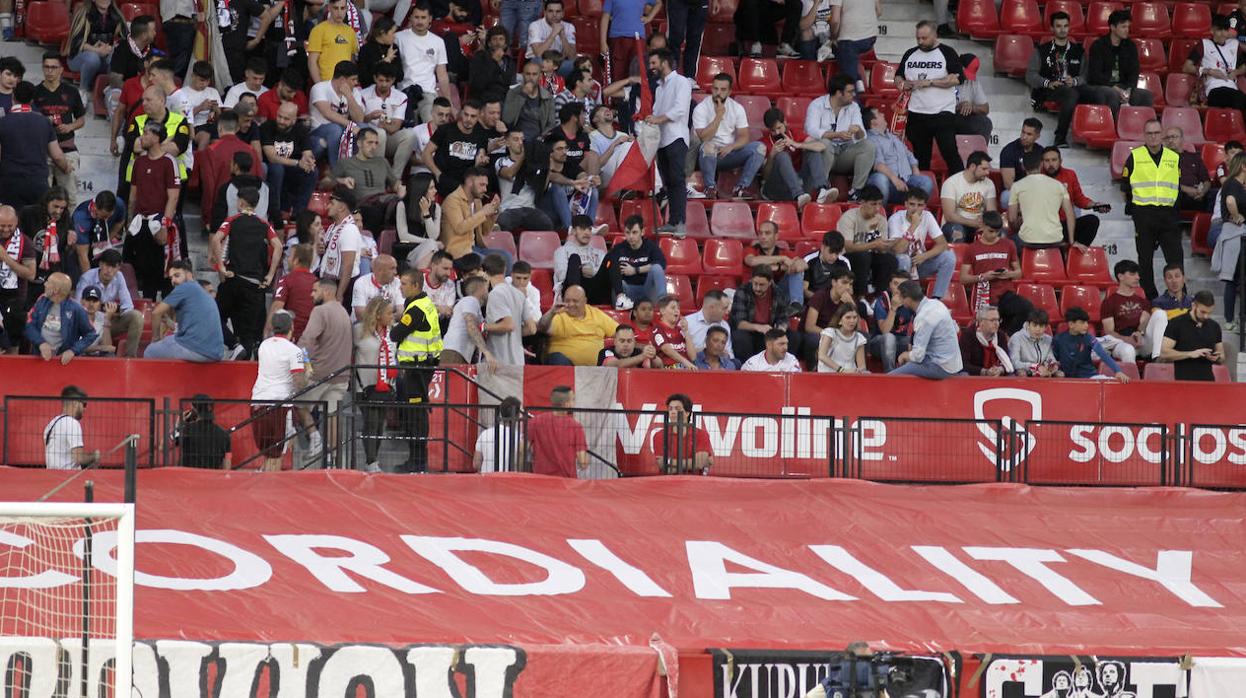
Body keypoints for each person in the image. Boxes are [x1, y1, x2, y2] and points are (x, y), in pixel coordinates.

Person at [211, 188, 282, 359]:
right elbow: (278, 246)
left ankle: (233, 344)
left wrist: (221, 266)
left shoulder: (232, 220)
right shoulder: (264, 224)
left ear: (241, 202)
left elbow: (215, 239)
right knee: (248, 333)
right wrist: (271, 275)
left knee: (214, 315)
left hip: (234, 279)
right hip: (255, 285)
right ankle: (242, 358)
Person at [1122, 119, 1181, 300]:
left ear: (1161, 134)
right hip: (1144, 214)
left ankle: (1179, 296)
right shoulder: (1135, 156)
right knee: (1145, 259)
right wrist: (1135, 211)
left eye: (1156, 133)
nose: (1153, 136)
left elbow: (1176, 186)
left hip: (1168, 215)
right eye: (1149, 133)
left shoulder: (1174, 157)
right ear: (1144, 136)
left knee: (1175, 259)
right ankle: (1150, 297)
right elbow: (1125, 187)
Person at [391, 268, 443, 472]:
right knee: (415, 412)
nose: (400, 287)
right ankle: (417, 459)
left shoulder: (415, 310)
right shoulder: (422, 303)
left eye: (404, 283)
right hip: (421, 364)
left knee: (416, 414)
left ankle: (418, 461)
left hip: (417, 367)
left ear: (415, 286)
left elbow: (396, 334)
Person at [896, 21, 964, 174]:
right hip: (916, 112)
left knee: (950, 153)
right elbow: (898, 76)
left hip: (942, 112)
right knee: (920, 158)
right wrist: (902, 84)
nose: (920, 42)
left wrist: (931, 82)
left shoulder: (947, 52)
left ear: (935, 35)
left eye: (924, 38)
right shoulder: (910, 53)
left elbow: (957, 79)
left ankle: (961, 188)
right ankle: (922, 192)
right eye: (918, 38)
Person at [125, 122, 182, 300]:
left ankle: (163, 308)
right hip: (139, 221)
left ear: (157, 137)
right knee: (134, 265)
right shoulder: (139, 161)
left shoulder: (168, 162)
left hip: (158, 220)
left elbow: (173, 197)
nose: (142, 137)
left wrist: (165, 224)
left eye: (146, 133)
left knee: (161, 269)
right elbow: (133, 194)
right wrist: (129, 220)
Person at [301, 278, 355, 456]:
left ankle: (314, 437)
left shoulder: (320, 311)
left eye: (314, 290)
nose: (311, 294)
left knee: (299, 404)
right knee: (332, 415)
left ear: (326, 291)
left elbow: (307, 339)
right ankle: (334, 457)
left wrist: (303, 364)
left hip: (319, 372)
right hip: (341, 374)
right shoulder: (343, 312)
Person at [250, 311, 309, 471]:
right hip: (280, 405)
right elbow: (299, 381)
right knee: (277, 455)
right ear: (291, 327)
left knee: (269, 453)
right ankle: (270, 489)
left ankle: (263, 479)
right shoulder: (294, 351)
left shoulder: (264, 345)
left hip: (258, 401)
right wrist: (307, 375)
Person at [692, 73, 764, 200]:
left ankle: (740, 188)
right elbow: (704, 138)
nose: (718, 93)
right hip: (707, 155)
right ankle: (710, 188)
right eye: (715, 88)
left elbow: (744, 136)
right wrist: (718, 116)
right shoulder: (701, 108)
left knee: (759, 148)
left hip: (728, 153)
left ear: (730, 91)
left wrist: (732, 146)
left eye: (723, 89)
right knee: (708, 146)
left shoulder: (737, 108)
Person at [0, 82, 72, 209]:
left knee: (11, 223)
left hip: (10, 182)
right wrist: (66, 167)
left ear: (12, 97)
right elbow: (57, 156)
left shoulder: (3, 123)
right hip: (37, 182)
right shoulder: (44, 122)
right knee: (38, 224)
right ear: (32, 100)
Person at [805, 75, 875, 202]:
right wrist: (837, 134)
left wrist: (858, 130)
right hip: (823, 154)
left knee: (868, 146)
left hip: (844, 153)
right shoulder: (816, 105)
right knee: (825, 144)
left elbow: (862, 136)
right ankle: (822, 189)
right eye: (849, 91)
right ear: (838, 93)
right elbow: (811, 130)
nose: (853, 94)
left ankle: (856, 191)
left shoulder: (853, 107)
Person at [962, 211, 1032, 334]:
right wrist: (983, 277)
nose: (994, 235)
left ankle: (1007, 337)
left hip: (1005, 294)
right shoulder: (971, 249)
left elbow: (1018, 273)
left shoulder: (1009, 244)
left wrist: (1008, 274)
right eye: (990, 231)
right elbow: (963, 278)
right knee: (988, 324)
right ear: (982, 226)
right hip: (984, 295)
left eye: (997, 231)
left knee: (1026, 308)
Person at [647, 49, 693, 235]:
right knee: (668, 182)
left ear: (664, 63)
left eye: (653, 63)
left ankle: (680, 222)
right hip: (662, 140)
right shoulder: (659, 88)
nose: (651, 67)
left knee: (676, 179)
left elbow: (680, 110)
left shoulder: (682, 82)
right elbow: (657, 112)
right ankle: (673, 221)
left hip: (676, 137)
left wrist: (657, 119)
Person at [329, 126, 407, 235]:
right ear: (359, 143)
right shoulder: (345, 163)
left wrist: (400, 187)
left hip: (383, 202)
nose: (374, 147)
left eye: (376, 143)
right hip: (362, 205)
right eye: (369, 143)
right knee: (375, 212)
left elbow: (395, 183)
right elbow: (325, 183)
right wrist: (341, 180)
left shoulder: (382, 162)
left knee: (404, 205)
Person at [145, 260, 226, 361]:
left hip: (196, 350)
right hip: (216, 353)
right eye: (171, 278)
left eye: (177, 275)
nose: (173, 280)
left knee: (150, 351)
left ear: (189, 275)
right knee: (169, 341)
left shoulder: (185, 287)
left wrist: (155, 339)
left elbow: (156, 313)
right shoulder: (201, 291)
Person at [1027, 11, 1086, 148]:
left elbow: (1085, 76)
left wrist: (1076, 81)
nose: (1062, 29)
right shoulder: (1041, 50)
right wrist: (1048, 83)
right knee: (1071, 94)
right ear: (1052, 29)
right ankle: (1060, 138)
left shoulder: (1079, 50)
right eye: (1058, 26)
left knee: (1100, 92)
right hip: (1049, 89)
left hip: (1074, 87)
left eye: (1065, 26)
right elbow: (1030, 75)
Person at [33, 53, 86, 204]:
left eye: (53, 67)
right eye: (46, 67)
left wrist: (70, 126)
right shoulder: (35, 92)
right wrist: (44, 121)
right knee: (42, 199)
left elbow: (81, 119)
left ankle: (68, 227)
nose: (50, 71)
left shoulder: (71, 92)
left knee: (69, 198)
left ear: (61, 70)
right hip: (42, 151)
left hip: (67, 149)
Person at [1080, 10, 1154, 115]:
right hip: (1102, 86)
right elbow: (1095, 76)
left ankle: (1138, 128)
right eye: (1123, 27)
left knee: (1145, 95)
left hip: (1123, 87)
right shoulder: (1098, 46)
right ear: (1112, 27)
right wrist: (1115, 89)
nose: (1127, 30)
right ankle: (1113, 127)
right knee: (1111, 94)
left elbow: (1134, 71)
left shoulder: (1130, 46)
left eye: (1128, 27)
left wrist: (1128, 90)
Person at [355, 294, 398, 472]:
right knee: (371, 422)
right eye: (389, 313)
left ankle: (373, 460)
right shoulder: (359, 331)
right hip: (365, 385)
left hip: (387, 385)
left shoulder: (392, 332)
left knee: (380, 424)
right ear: (378, 314)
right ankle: (371, 460)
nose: (392, 316)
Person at [887, 189, 956, 299]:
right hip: (900, 265)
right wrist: (913, 226)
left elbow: (943, 244)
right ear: (905, 204)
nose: (915, 208)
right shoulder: (895, 219)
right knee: (904, 258)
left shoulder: (927, 216)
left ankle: (936, 299)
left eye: (920, 205)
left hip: (919, 262)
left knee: (949, 256)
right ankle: (904, 298)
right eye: (912, 204)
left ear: (924, 206)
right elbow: (897, 250)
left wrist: (925, 256)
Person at [75, 249, 144, 357]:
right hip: (89, 323)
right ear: (100, 264)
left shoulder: (119, 276)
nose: (109, 270)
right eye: (107, 266)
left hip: (108, 320)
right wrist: (101, 310)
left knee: (137, 316)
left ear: (118, 268)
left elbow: (128, 305)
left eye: (113, 267)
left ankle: (130, 357)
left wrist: (115, 313)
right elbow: (79, 308)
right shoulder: (87, 278)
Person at [759, 108, 833, 207]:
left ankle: (822, 190)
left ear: (785, 122)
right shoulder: (764, 142)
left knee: (812, 151)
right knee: (782, 156)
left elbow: (821, 146)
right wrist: (772, 155)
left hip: (800, 183)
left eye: (779, 128)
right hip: (776, 188)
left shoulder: (795, 134)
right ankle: (799, 195)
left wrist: (797, 144)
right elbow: (765, 177)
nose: (777, 133)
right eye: (773, 130)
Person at [1009, 151, 1081, 251]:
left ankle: (1019, 266)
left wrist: (1020, 228)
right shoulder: (1059, 185)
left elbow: (1012, 219)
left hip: (1027, 240)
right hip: (1055, 240)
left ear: (1022, 166)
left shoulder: (1017, 186)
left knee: (1009, 242)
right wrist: (1072, 241)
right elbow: (1070, 214)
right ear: (1041, 164)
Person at [441, 166, 511, 270]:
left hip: (474, 248)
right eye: (482, 185)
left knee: (506, 256)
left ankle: (502, 285)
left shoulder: (477, 201)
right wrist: (483, 212)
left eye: (486, 185)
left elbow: (485, 232)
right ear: (469, 182)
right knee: (491, 264)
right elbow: (460, 228)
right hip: (457, 252)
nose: (485, 189)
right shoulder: (452, 200)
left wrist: (492, 214)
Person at [890, 279, 962, 379]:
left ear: (907, 299)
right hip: (952, 363)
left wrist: (904, 355)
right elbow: (956, 329)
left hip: (942, 367)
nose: (897, 298)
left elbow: (917, 356)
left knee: (891, 377)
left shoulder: (923, 317)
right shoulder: (936, 303)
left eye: (899, 295)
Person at [261, 102, 318, 225]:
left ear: (294, 120)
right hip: (273, 167)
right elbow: (272, 157)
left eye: (286, 119)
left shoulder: (300, 129)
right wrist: (298, 163)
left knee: (312, 171)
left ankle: (298, 214)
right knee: (277, 169)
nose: (281, 121)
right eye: (279, 116)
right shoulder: (267, 127)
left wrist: (309, 161)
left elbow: (307, 152)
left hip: (292, 168)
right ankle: (274, 213)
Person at [1184, 15, 1246, 126]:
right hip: (1213, 89)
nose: (1223, 34)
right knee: (1239, 99)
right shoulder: (1204, 44)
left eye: (1225, 30)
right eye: (1219, 30)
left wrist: (1236, 72)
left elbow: (1244, 66)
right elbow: (1187, 67)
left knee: (1239, 99)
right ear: (1212, 30)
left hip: (1232, 87)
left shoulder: (1234, 44)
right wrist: (1209, 71)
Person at [863, 107, 933, 205]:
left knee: (926, 181)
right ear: (873, 122)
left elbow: (909, 154)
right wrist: (895, 179)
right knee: (880, 179)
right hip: (888, 183)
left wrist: (915, 168)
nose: (883, 115)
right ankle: (880, 214)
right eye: (879, 114)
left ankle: (913, 212)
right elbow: (878, 164)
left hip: (906, 181)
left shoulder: (893, 137)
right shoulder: (870, 140)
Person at [1040, 146, 1107, 247]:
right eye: (1047, 161)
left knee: (1092, 221)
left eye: (1054, 160)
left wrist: (1095, 205)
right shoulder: (1037, 178)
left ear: (1060, 161)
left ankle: (1074, 254)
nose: (1051, 164)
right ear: (1042, 163)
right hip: (1046, 226)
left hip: (1066, 225)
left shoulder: (1070, 175)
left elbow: (1079, 199)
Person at [25, 272, 97, 365]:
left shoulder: (76, 309)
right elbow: (29, 324)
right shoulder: (42, 301)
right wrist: (41, 343)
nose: (45, 284)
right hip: (40, 357)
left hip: (63, 361)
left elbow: (91, 334)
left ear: (55, 290)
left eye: (48, 282)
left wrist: (73, 351)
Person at [424, 99, 491, 198]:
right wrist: (437, 173)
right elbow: (426, 154)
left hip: (466, 181)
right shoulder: (445, 130)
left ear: (479, 116)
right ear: (461, 113)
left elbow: (481, 153)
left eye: (473, 116)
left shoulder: (481, 134)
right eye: (466, 114)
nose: (468, 119)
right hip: (445, 178)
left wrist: (481, 160)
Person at [839, 186, 899, 296]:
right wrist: (874, 244)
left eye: (879, 204)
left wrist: (886, 245)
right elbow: (848, 246)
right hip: (848, 256)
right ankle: (861, 296)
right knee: (863, 256)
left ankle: (879, 296)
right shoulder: (849, 217)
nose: (877, 208)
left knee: (890, 260)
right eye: (873, 204)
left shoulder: (881, 220)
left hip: (871, 256)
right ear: (862, 202)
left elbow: (881, 250)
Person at [540, 284, 619, 365]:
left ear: (584, 301)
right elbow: (541, 328)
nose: (571, 304)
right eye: (567, 301)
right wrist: (551, 313)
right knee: (557, 358)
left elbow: (620, 332)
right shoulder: (559, 314)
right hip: (564, 368)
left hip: (595, 370)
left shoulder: (596, 314)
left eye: (575, 301)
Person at [65, 0, 125, 102]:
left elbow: (124, 40)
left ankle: (111, 90)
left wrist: (111, 48)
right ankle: (83, 90)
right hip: (79, 57)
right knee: (92, 58)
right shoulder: (84, 14)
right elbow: (76, 43)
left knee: (117, 55)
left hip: (105, 56)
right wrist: (96, 50)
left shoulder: (117, 15)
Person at [730, 267, 794, 361]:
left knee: (794, 336)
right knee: (740, 337)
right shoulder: (742, 291)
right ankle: (747, 368)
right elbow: (739, 323)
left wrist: (781, 328)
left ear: (770, 283)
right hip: (749, 331)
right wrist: (759, 327)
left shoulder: (778, 293)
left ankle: (782, 366)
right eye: (755, 283)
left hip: (769, 331)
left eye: (762, 285)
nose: (757, 288)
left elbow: (783, 318)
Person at [308, 61, 365, 168]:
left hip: (343, 129)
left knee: (364, 128)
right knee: (334, 129)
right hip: (318, 130)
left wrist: (349, 96)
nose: (356, 83)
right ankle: (337, 171)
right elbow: (327, 113)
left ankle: (358, 169)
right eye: (353, 79)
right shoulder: (320, 88)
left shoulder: (354, 92)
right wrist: (351, 125)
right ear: (343, 80)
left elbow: (360, 119)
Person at [1098, 259, 1153, 366]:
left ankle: (1158, 360)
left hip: (1141, 339)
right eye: (1132, 274)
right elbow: (1109, 331)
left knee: (1160, 314)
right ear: (1121, 276)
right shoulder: (1109, 302)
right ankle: (1132, 382)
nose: (1137, 277)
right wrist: (1127, 339)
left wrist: (1139, 333)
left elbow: (1144, 322)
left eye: (1138, 274)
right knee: (1128, 350)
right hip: (1121, 342)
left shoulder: (1144, 301)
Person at [1161, 290, 1224, 381]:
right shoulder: (1176, 323)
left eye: (1209, 313)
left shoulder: (1214, 326)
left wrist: (1217, 357)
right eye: (1203, 312)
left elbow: (1222, 355)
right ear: (1194, 306)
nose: (1206, 316)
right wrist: (1190, 354)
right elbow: (1164, 353)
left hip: (1209, 382)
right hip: (1184, 382)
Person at [1054, 305, 1129, 381]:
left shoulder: (1088, 338)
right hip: (1068, 380)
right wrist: (1057, 371)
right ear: (1071, 324)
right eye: (1082, 322)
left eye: (1087, 322)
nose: (1086, 325)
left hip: (1090, 376)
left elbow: (1103, 354)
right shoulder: (1058, 339)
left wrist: (1117, 370)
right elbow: (1054, 359)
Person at [606, 215, 666, 309]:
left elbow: (661, 265)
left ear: (642, 232)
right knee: (617, 282)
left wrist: (635, 270)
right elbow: (609, 266)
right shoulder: (618, 249)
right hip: (627, 291)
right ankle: (619, 306)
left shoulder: (650, 246)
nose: (630, 236)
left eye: (634, 232)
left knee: (657, 269)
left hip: (647, 289)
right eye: (627, 233)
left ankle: (664, 305)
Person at [527, 385, 588, 477]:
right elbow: (583, 462)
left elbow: (522, 449)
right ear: (567, 404)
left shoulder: (535, 422)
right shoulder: (576, 427)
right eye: (573, 400)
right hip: (566, 482)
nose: (574, 403)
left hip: (540, 480)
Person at [20, 187, 77, 284]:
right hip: (29, 273)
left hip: (51, 277)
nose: (58, 211)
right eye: (55, 206)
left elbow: (66, 251)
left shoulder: (65, 219)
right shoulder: (28, 214)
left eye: (62, 208)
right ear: (47, 202)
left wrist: (71, 244)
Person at [745, 220, 807, 310]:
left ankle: (796, 306)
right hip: (755, 293)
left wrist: (782, 267)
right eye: (760, 233)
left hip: (778, 294)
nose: (763, 237)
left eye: (767, 233)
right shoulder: (750, 250)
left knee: (796, 271)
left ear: (776, 236)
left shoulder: (784, 252)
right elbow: (752, 261)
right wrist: (782, 260)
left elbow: (803, 265)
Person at [1215, 152, 1246, 331]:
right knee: (1233, 278)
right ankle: (1228, 319)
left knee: (1236, 278)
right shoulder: (1233, 184)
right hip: (1236, 235)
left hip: (1239, 234)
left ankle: (1235, 319)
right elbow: (1230, 201)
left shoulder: (1240, 185)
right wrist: (1237, 216)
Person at [939, 151, 997, 243]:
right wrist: (974, 223)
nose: (987, 172)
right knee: (957, 233)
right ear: (973, 166)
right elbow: (949, 216)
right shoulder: (951, 183)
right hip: (956, 224)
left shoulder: (989, 183)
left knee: (999, 233)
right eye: (984, 169)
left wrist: (987, 224)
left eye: (988, 169)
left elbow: (992, 212)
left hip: (980, 225)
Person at [0, 205, 36, 353]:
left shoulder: (24, 242)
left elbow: (30, 274)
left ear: (16, 222)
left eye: (10, 225)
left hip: (14, 299)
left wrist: (6, 258)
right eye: (2, 225)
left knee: (12, 344)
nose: (6, 229)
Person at [439, 276, 497, 366]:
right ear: (481, 289)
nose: (488, 292)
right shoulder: (470, 301)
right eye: (486, 288)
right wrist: (486, 352)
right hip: (454, 352)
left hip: (458, 353)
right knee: (451, 380)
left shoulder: (473, 306)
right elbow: (471, 326)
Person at [319, 186, 363, 302]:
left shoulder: (349, 229)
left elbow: (348, 264)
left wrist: (339, 293)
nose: (328, 206)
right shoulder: (333, 227)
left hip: (343, 285)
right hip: (331, 282)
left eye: (332, 203)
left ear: (342, 207)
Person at [599, 0, 659, 82]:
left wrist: (649, 18)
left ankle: (636, 94)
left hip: (638, 38)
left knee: (637, 72)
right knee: (618, 72)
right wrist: (603, 42)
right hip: (618, 37)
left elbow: (658, 3)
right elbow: (605, 17)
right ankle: (618, 94)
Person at [652, 393, 711, 474]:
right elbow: (665, 468)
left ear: (687, 413)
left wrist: (670, 462)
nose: (673, 412)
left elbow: (699, 464)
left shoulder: (701, 434)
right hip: (668, 482)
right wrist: (694, 464)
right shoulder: (660, 435)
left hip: (694, 483)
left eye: (677, 409)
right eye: (670, 409)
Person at [43, 385, 99, 470]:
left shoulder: (51, 424)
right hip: (69, 477)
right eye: (84, 404)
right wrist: (95, 456)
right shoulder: (72, 423)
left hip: (52, 477)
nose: (85, 409)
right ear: (75, 403)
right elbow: (79, 458)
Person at [269, 244, 317, 342]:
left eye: (290, 256)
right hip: (311, 339)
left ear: (296, 261)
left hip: (290, 338)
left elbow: (277, 308)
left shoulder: (286, 280)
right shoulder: (317, 282)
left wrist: (267, 332)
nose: (288, 259)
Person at [869, 270, 915, 371]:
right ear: (890, 285)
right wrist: (893, 308)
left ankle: (911, 372)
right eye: (895, 284)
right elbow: (885, 331)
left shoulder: (911, 301)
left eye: (903, 285)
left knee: (916, 340)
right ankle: (891, 374)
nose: (899, 288)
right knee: (889, 338)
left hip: (900, 341)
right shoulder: (882, 300)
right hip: (879, 343)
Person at [828, 0, 881, 88]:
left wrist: (833, 37)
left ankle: (854, 96)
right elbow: (879, 11)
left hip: (850, 38)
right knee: (838, 50)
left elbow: (835, 20)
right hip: (870, 37)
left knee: (849, 81)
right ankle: (858, 78)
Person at [71, 190, 126, 272]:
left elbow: (120, 221)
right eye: (103, 216)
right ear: (96, 207)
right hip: (85, 246)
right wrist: (89, 281)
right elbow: (82, 255)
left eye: (108, 216)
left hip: (103, 243)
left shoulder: (119, 204)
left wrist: (108, 239)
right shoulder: (81, 217)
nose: (106, 218)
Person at [307, 0, 360, 83]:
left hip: (345, 85)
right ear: (329, 8)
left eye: (342, 8)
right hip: (326, 82)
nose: (339, 12)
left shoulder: (351, 32)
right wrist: (320, 86)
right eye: (336, 8)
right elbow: (312, 62)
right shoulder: (318, 30)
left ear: (346, 9)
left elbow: (351, 61)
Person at [173, 395, 232, 469]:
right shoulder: (224, 435)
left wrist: (177, 426)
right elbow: (227, 461)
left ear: (194, 410)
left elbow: (163, 447)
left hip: (188, 476)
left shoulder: (186, 430)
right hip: (211, 477)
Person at [503, 61, 556, 141]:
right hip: (517, 140)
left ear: (540, 76)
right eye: (528, 74)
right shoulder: (513, 93)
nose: (531, 77)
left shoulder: (547, 96)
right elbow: (507, 119)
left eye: (534, 74)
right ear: (523, 75)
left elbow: (551, 124)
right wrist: (523, 95)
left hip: (539, 141)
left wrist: (541, 137)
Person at [1166, 127, 1214, 213]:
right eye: (1168, 137)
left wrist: (1202, 192)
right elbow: (1165, 182)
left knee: (1216, 194)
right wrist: (1188, 190)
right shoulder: (1164, 159)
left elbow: (1206, 180)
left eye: (1173, 137)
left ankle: (1209, 223)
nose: (1170, 140)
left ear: (1182, 139)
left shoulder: (1194, 157)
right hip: (1179, 193)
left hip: (1198, 192)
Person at [474, 396, 525, 473]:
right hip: (509, 479)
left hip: (487, 478)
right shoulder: (520, 437)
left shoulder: (485, 434)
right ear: (517, 415)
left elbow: (476, 464)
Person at [957, 305, 1012, 376]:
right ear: (981, 322)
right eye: (992, 320)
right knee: (963, 374)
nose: (996, 323)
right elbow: (963, 364)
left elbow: (1008, 360)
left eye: (998, 320)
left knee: (1011, 373)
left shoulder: (1001, 336)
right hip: (975, 375)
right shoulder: (968, 335)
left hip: (996, 375)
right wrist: (985, 372)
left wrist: (1000, 370)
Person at [1008, 309, 1062, 377]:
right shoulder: (1016, 338)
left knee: (1060, 374)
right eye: (1034, 325)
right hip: (1024, 370)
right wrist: (1035, 367)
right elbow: (1014, 363)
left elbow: (1050, 358)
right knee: (1021, 373)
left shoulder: (1048, 339)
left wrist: (1052, 365)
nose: (1038, 329)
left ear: (1045, 327)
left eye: (1041, 326)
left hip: (1041, 371)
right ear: (1028, 324)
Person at [816, 303, 868, 373]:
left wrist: (859, 371)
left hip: (850, 376)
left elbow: (862, 366)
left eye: (855, 317)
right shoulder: (830, 333)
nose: (852, 321)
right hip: (828, 374)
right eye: (848, 317)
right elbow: (822, 356)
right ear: (840, 321)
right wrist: (842, 370)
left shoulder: (859, 338)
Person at [999, 118, 1043, 199]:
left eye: (1029, 134)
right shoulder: (1009, 151)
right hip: (1015, 191)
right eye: (1023, 132)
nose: (1024, 137)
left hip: (1036, 191)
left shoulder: (1041, 151)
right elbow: (1008, 184)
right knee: (1006, 196)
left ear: (1037, 136)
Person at [952, 54, 993, 142]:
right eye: (966, 73)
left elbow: (985, 108)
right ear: (960, 67)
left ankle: (980, 154)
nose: (967, 77)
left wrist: (972, 107)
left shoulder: (972, 82)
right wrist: (959, 106)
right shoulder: (947, 77)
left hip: (963, 118)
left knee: (985, 123)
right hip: (946, 117)